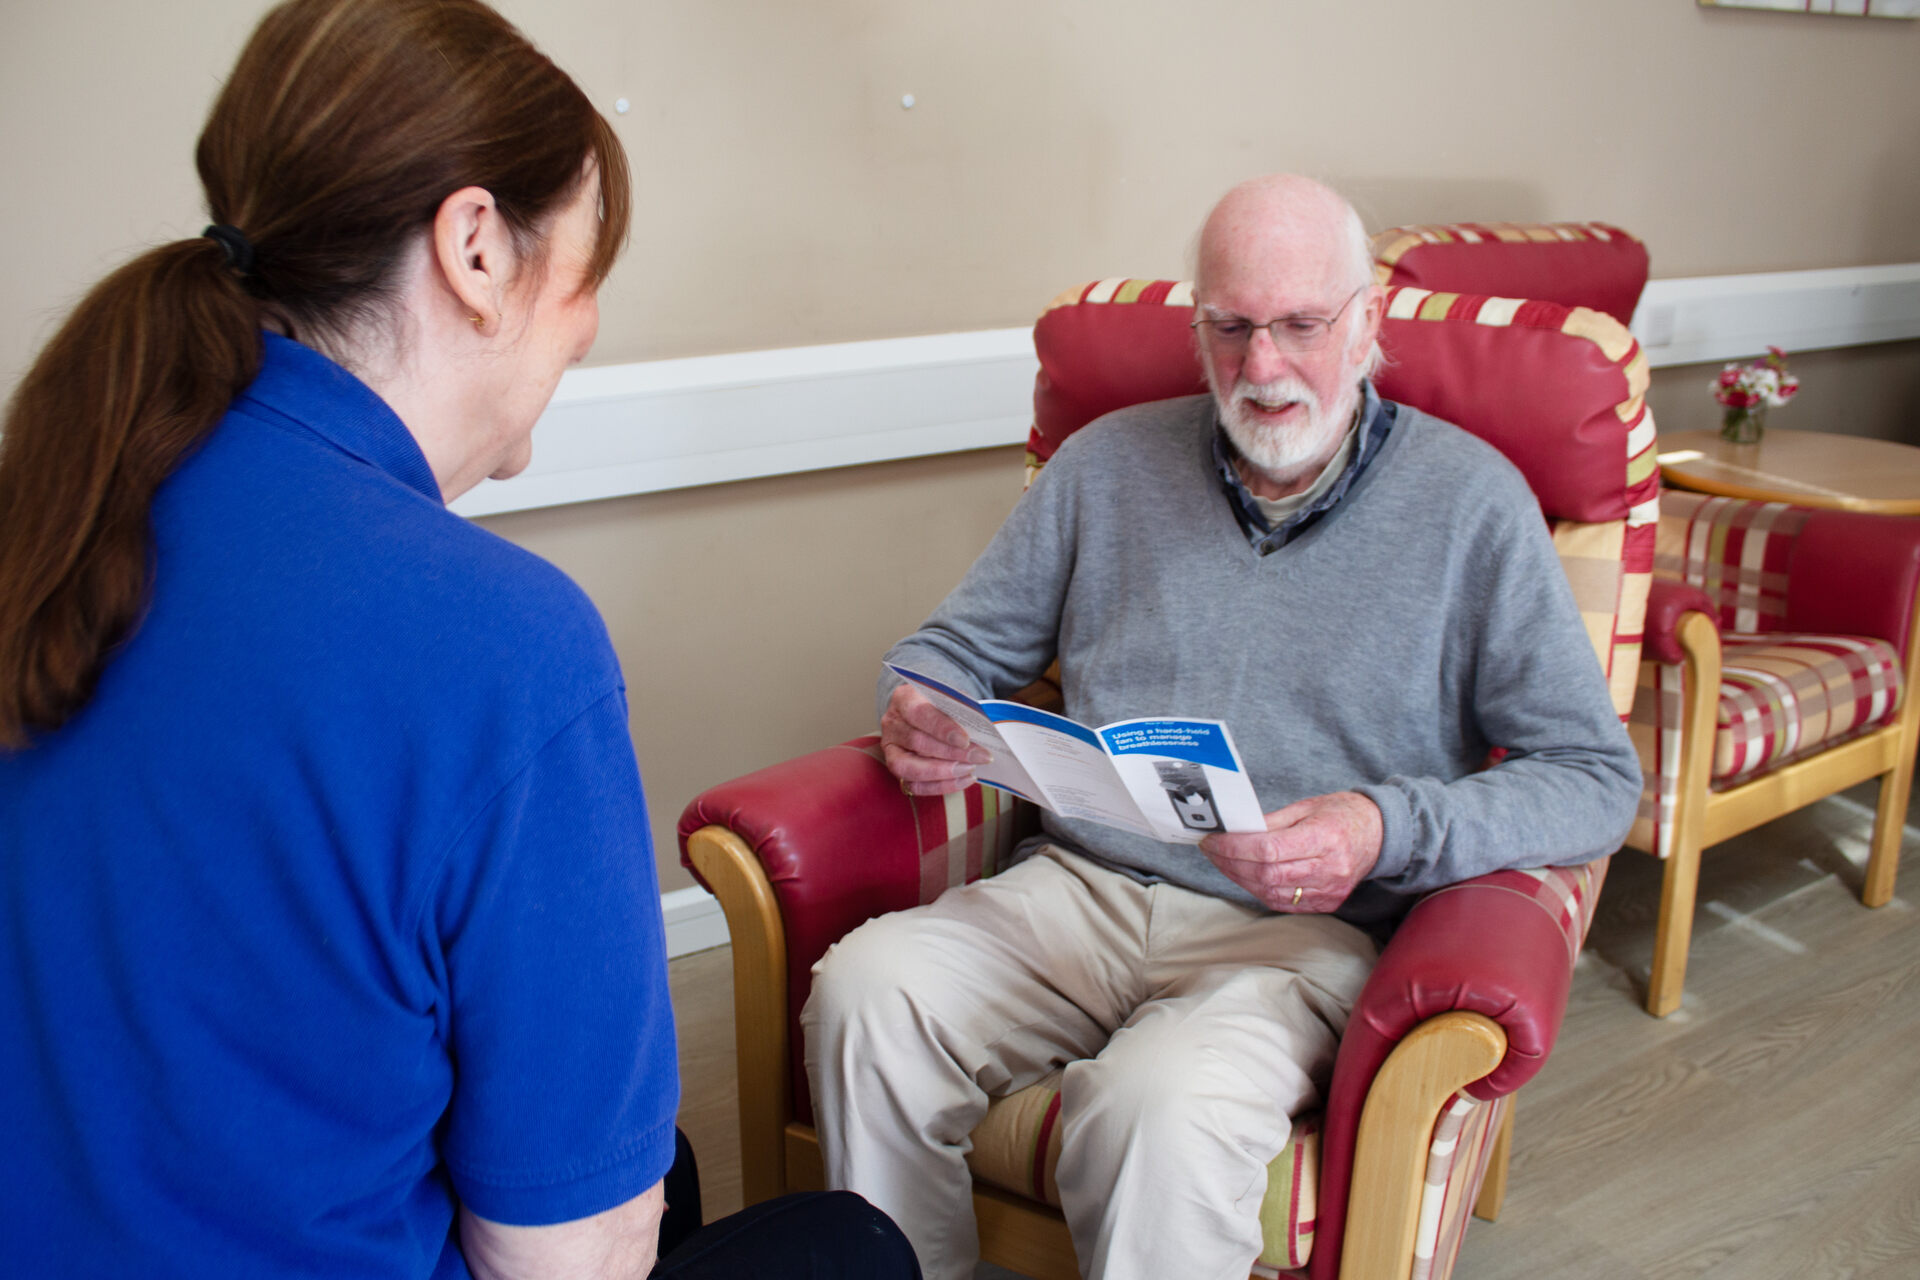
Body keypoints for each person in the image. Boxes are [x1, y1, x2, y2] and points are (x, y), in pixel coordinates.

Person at [0, 2, 915, 1277]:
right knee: (845, 1243)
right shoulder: (505, 644)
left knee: (665, 1163)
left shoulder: (60, 512)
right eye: (590, 264)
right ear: (475, 248)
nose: (589, 319)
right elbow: (569, 1256)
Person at [802, 174, 1641, 1280]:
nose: (1261, 365)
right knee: (865, 994)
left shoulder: (1473, 503)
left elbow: (1592, 778)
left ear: (1369, 323)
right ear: (1197, 326)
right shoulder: (1104, 464)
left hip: (1300, 934)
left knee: (1156, 1104)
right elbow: (951, 648)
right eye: (1231, 326)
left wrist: (1377, 828)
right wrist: (918, 701)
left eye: (1301, 324)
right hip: (1078, 890)